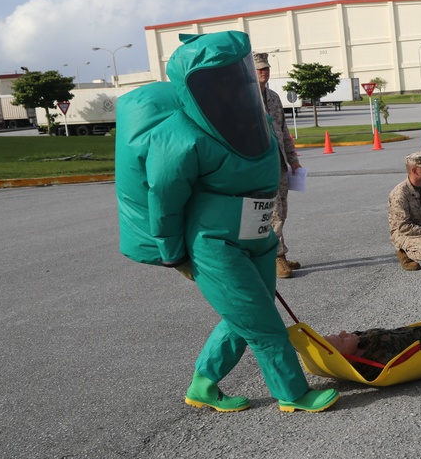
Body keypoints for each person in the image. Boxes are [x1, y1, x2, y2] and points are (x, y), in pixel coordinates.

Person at [115, 30, 339, 413]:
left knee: (244, 315)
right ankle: (293, 393)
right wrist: (175, 256)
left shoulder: (255, 118)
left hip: (259, 236)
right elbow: (164, 202)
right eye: (219, 79)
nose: (232, 84)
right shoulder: (179, 135)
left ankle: (203, 385)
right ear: (195, 86)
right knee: (263, 321)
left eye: (235, 74)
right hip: (215, 245)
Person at [253, 52, 302, 279]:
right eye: (259, 68)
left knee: (282, 211)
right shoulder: (246, 99)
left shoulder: (273, 97)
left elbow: (283, 130)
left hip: (280, 163)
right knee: (273, 214)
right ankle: (276, 258)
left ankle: (277, 252)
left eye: (266, 68)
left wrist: (293, 159)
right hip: (262, 166)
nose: (264, 71)